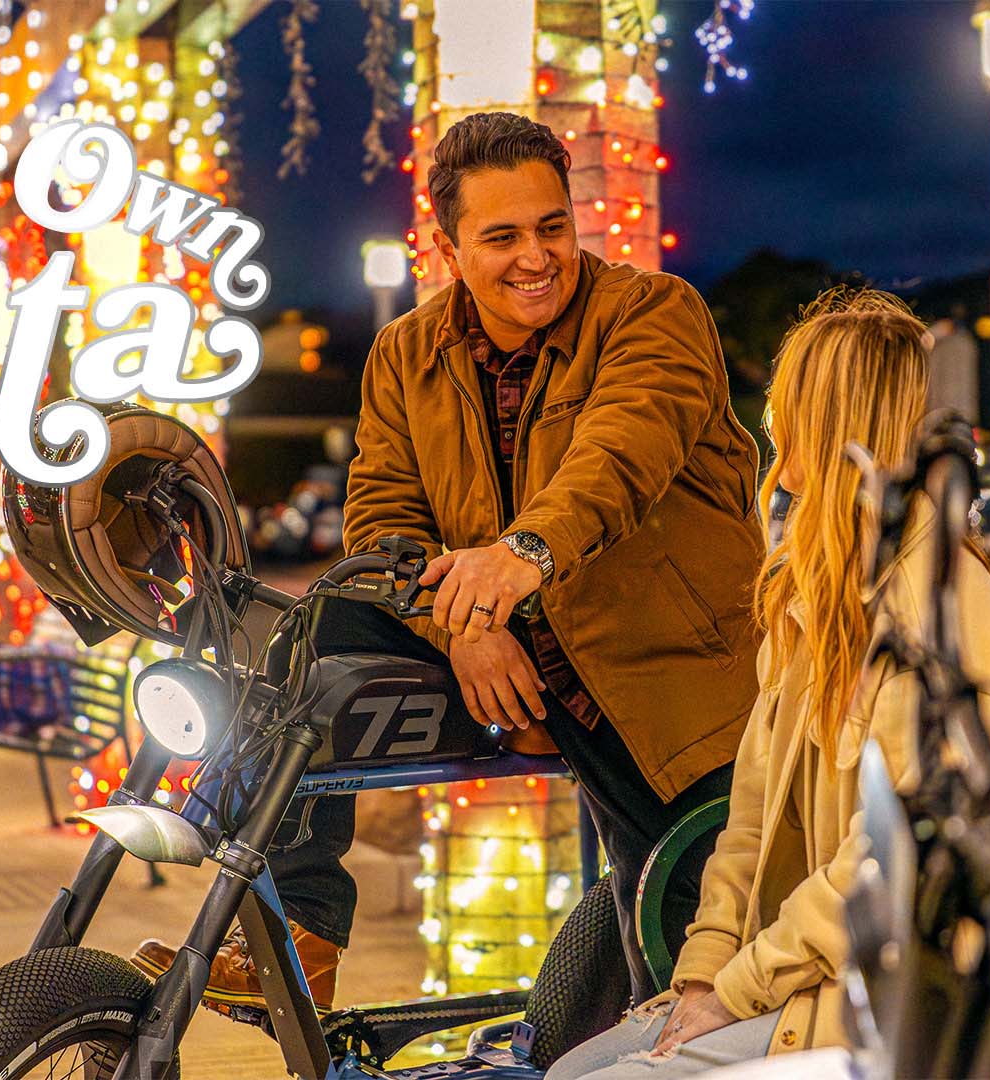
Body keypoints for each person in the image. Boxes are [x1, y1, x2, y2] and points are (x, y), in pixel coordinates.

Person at [132, 110, 764, 1011]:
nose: (536, 257)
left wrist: (521, 556)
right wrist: (463, 623)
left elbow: (621, 454)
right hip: (511, 655)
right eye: (502, 236)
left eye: (552, 228)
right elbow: (384, 523)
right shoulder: (404, 352)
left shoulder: (656, 314)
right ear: (447, 244)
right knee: (317, 627)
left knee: (687, 954)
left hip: (660, 677)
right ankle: (302, 934)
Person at [545, 289, 990, 1079]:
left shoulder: (934, 614)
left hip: (907, 1003)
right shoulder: (811, 598)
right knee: (570, 1071)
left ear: (823, 433)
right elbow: (748, 826)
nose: (772, 445)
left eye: (785, 419)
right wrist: (703, 977)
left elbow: (889, 865)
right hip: (817, 978)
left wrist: (740, 988)